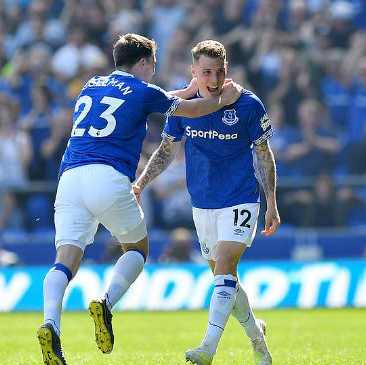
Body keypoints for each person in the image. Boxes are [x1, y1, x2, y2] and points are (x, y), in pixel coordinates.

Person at [37, 33, 243, 365]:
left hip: (70, 178)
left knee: (65, 259)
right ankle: (105, 303)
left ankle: (50, 325)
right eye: (153, 65)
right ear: (144, 63)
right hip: (108, 176)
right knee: (136, 249)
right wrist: (223, 100)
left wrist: (186, 89)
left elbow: (144, 100)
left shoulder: (91, 85)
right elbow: (189, 110)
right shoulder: (143, 90)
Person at [133, 40, 279, 365]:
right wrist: (141, 182)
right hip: (202, 203)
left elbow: (263, 154)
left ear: (227, 70)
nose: (213, 79)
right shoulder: (184, 108)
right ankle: (257, 336)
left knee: (227, 264)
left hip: (241, 197)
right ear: (194, 72)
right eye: (206, 72)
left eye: (219, 71)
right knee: (224, 279)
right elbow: (167, 150)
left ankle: (207, 348)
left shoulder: (248, 105)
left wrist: (271, 202)